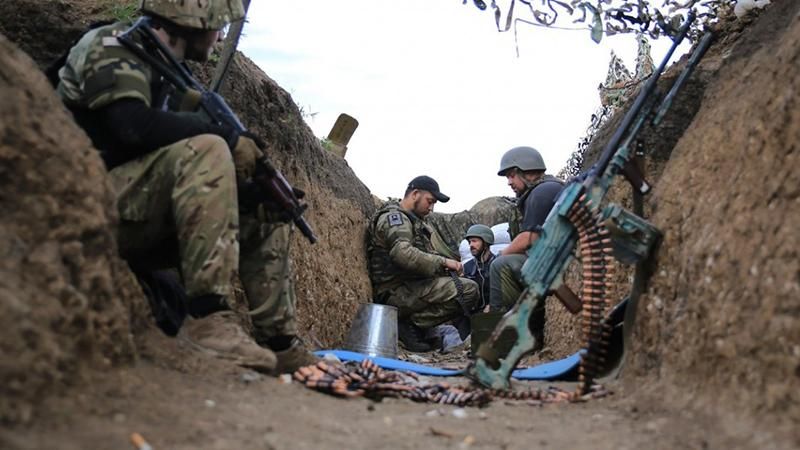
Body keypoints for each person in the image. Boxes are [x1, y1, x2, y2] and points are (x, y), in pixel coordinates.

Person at [55, 0, 316, 374]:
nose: (221, 34)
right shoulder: (112, 43)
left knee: (264, 212)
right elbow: (132, 128)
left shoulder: (172, 75)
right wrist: (225, 138)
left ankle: (280, 343)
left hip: (136, 209)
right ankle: (207, 317)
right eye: (217, 24)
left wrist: (252, 198)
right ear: (193, 21)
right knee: (209, 147)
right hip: (84, 205)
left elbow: (190, 177)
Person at [367, 176, 480, 352]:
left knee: (464, 286)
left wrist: (445, 268)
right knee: (468, 290)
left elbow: (422, 257)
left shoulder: (414, 221)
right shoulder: (396, 218)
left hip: (410, 288)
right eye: (430, 201)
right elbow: (402, 254)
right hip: (395, 293)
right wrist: (443, 261)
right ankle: (409, 325)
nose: (431, 207)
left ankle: (413, 326)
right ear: (415, 194)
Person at [489, 146, 564, 346]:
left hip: (555, 262)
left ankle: (502, 335)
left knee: (500, 265)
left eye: (512, 175)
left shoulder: (542, 191)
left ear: (527, 170)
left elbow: (530, 237)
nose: (509, 182)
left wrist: (502, 253)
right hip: (553, 258)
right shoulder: (544, 189)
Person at [462, 224, 496, 312]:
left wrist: (492, 305)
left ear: (486, 242)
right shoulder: (467, 267)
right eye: (469, 242)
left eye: (474, 241)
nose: (471, 245)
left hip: (495, 310)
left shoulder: (497, 264)